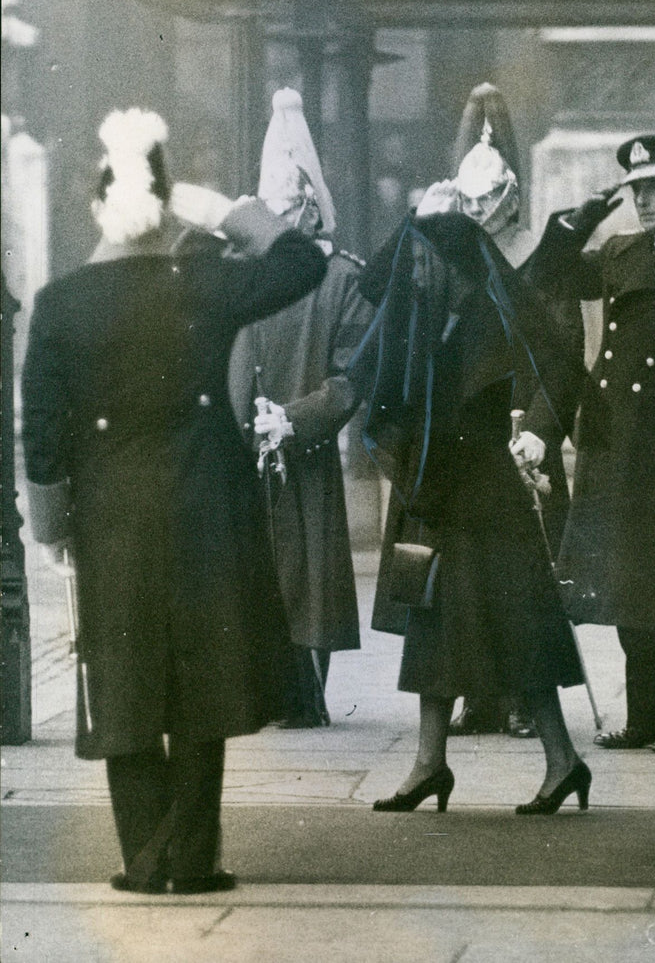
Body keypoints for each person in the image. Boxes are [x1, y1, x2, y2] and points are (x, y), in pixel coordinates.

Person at [21, 108, 326, 894]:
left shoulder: (60, 304)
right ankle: (192, 858)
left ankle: (144, 855)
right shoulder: (204, 282)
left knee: (122, 676)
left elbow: (43, 432)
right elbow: (303, 263)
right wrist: (228, 211)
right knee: (201, 677)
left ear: (97, 211)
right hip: (204, 508)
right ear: (167, 208)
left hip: (109, 514)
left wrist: (54, 526)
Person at [350, 144, 589, 816]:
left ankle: (562, 759)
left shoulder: (488, 311)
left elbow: (562, 367)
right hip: (444, 491)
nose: (415, 273)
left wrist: (538, 432)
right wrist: (417, 218)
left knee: (517, 627)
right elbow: (375, 282)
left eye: (426, 259)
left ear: (452, 262)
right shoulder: (437, 308)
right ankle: (432, 763)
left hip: (482, 493)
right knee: (437, 626)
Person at [536, 134, 655, 753]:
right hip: (617, 439)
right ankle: (643, 717)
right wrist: (588, 212)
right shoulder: (621, 251)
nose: (643, 200)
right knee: (627, 584)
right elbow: (549, 273)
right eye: (635, 190)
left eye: (654, 188)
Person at [440, 82, 586, 739]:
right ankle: (484, 694)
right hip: (474, 439)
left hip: (524, 436)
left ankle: (530, 699)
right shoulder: (461, 266)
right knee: (474, 576)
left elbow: (561, 356)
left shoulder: (542, 263)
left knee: (531, 580)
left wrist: (537, 429)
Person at [227, 88, 374, 727]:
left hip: (303, 449)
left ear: (311, 209)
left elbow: (349, 380)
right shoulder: (242, 274)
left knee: (305, 577)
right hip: (240, 447)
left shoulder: (342, 279)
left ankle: (302, 694)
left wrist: (293, 420)